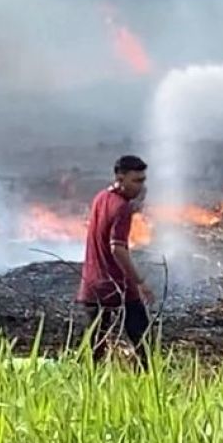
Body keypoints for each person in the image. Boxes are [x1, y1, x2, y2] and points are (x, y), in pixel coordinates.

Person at [75, 154, 155, 369]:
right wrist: (138, 281)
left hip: (92, 284)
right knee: (144, 341)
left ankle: (87, 385)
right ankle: (145, 384)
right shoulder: (122, 207)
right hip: (117, 285)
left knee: (93, 347)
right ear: (120, 177)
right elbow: (117, 247)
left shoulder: (101, 198)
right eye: (136, 180)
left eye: (143, 180)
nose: (140, 186)